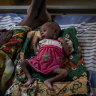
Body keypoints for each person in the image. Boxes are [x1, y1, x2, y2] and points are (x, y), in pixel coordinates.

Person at [20, 21, 74, 90]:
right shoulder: (42, 42)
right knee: (23, 63)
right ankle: (30, 78)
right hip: (38, 63)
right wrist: (35, 43)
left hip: (52, 66)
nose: (41, 33)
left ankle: (49, 81)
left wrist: (63, 42)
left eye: (44, 30)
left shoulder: (59, 42)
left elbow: (67, 54)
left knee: (64, 73)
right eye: (40, 32)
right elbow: (36, 52)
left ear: (54, 32)